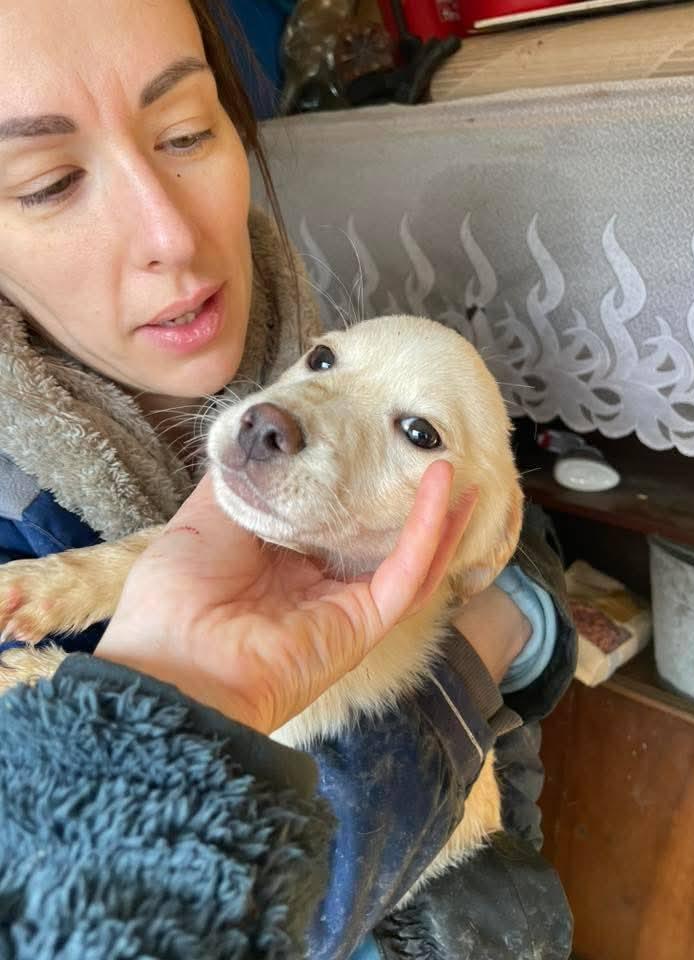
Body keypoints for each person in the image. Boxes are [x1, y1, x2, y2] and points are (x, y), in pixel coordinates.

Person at [0, 1, 576, 957]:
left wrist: (516, 608)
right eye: (50, 182)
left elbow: (513, 544)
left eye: (186, 132)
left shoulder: (288, 328)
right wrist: (468, 667)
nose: (170, 235)